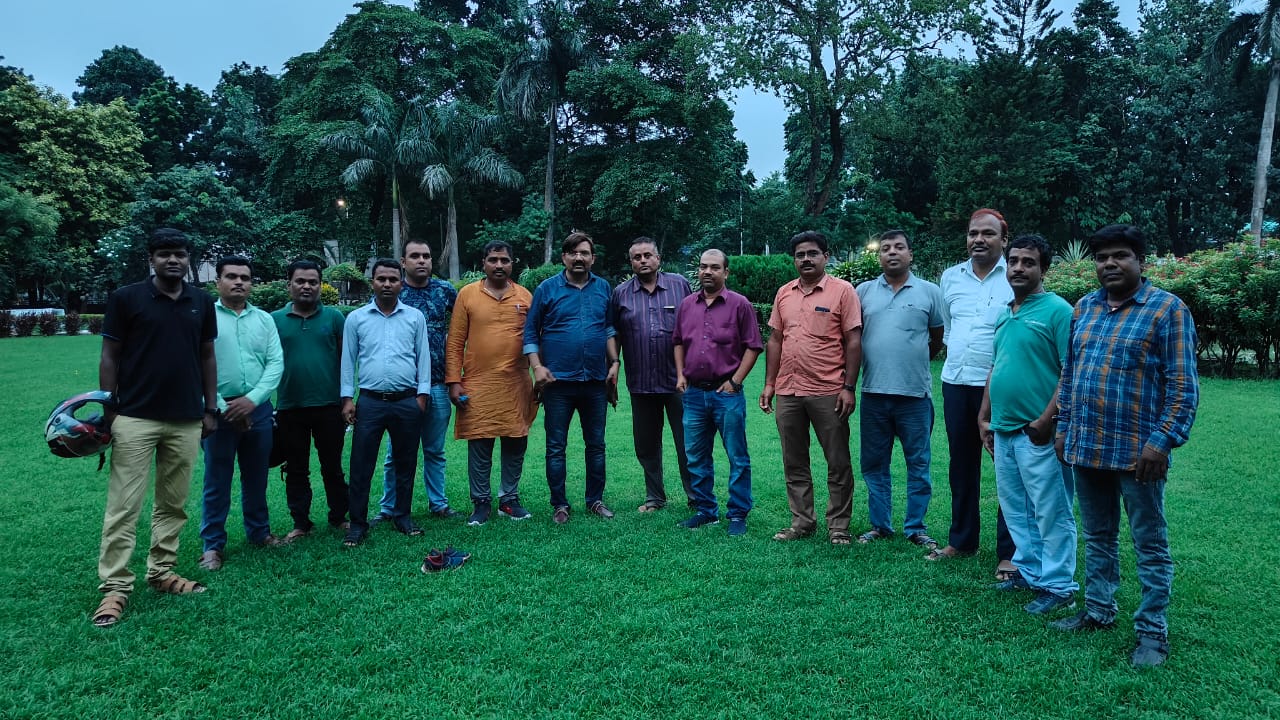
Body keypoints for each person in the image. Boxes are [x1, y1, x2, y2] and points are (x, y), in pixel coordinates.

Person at [1050, 224, 1199, 668]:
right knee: (1098, 535)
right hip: (1088, 444)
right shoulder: (1085, 307)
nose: (1109, 264)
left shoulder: (1167, 310)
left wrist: (1161, 442)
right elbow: (1071, 374)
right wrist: (1063, 426)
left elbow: (1183, 386)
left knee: (1149, 543)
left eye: (1120, 255)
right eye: (1102, 258)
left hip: (1139, 454)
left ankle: (1152, 632)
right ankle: (1098, 610)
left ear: (1140, 261)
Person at [92, 228, 218, 627]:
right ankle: (115, 587)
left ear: (188, 259)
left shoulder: (201, 301)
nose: (173, 260)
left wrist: (209, 409)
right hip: (134, 417)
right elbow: (109, 356)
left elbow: (207, 356)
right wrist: (109, 408)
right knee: (124, 505)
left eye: (179, 253)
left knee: (173, 503)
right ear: (152, 259)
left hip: (186, 418)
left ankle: (162, 571)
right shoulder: (126, 298)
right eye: (165, 254)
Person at [977, 235, 1078, 616]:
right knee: (1016, 508)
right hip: (1003, 429)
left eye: (1028, 262)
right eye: (1014, 261)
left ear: (1044, 269)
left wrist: (1046, 420)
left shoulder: (1058, 311)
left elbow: (1070, 371)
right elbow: (996, 366)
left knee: (1051, 510)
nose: (1019, 268)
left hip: (1038, 432)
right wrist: (984, 416)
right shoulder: (1006, 313)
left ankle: (1059, 585)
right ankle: (1031, 571)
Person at [759, 231, 862, 545]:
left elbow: (853, 340)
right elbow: (775, 340)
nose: (806, 259)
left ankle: (839, 526)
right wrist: (769, 384)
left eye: (813, 253)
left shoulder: (842, 291)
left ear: (825, 257)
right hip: (788, 390)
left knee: (837, 460)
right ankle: (802, 522)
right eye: (800, 254)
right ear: (794, 259)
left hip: (828, 389)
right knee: (794, 461)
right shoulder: (784, 293)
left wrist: (848, 387)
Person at [930, 209, 1019, 576]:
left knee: (1007, 467)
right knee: (962, 465)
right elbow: (950, 329)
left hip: (1000, 386)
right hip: (956, 382)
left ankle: (1010, 551)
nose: (978, 239)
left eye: (987, 233)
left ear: (1004, 239)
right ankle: (962, 540)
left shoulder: (1014, 276)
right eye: (972, 233)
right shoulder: (951, 277)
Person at [855, 230, 945, 549]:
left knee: (918, 464)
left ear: (910, 254)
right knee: (874, 464)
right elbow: (853, 337)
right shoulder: (863, 291)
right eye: (886, 248)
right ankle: (880, 525)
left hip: (915, 396)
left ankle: (916, 527)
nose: (892, 252)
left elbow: (937, 337)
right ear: (879, 256)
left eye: (899, 247)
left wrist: (912, 359)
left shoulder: (929, 292)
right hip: (873, 394)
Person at [523, 231, 619, 524]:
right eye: (573, 253)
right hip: (557, 383)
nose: (579, 258)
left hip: (595, 382)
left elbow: (608, 329)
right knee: (556, 447)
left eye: (584, 253)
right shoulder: (547, 289)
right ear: (564, 257)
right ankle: (560, 504)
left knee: (596, 445)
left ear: (593, 258)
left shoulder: (603, 288)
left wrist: (615, 362)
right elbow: (530, 332)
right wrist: (537, 367)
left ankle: (595, 501)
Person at [198, 256, 284, 570]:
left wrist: (252, 400)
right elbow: (194, 365)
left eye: (245, 278)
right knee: (216, 478)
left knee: (257, 476)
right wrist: (224, 407)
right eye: (231, 276)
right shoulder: (204, 317)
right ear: (217, 281)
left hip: (258, 409)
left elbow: (275, 363)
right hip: (216, 412)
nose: (238, 282)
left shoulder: (264, 319)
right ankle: (212, 545)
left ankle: (259, 533)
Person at [340, 259, 432, 546]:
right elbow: (348, 360)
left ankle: (402, 516)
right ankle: (357, 524)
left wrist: (422, 395)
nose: (387, 284)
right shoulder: (356, 318)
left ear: (401, 283)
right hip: (370, 402)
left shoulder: (414, 317)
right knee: (361, 464)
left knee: (405, 462)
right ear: (373, 283)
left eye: (393, 279)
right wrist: (347, 398)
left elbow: (423, 357)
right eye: (382, 279)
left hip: (406, 401)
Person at [445, 241, 537, 525]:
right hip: (478, 383)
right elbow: (455, 341)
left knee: (515, 440)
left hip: (515, 383)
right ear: (483, 263)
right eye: (493, 260)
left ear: (512, 264)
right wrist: (453, 380)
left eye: (504, 260)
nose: (499, 265)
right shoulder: (467, 295)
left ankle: (509, 499)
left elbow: (535, 339)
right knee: (480, 442)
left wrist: (541, 375)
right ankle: (481, 502)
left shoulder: (525, 296)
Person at [673, 249, 763, 537]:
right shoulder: (687, 305)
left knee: (737, 456)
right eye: (703, 267)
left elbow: (753, 346)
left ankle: (737, 514)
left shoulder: (740, 305)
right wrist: (680, 374)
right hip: (694, 395)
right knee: (696, 456)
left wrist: (735, 381)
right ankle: (705, 511)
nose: (707, 272)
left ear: (726, 272)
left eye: (714, 267)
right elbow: (678, 342)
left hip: (727, 395)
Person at [376, 239, 459, 521]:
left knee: (435, 450)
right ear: (403, 262)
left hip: (438, 383)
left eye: (426, 255)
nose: (421, 260)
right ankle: (389, 507)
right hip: (403, 388)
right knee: (395, 452)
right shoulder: (394, 291)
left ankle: (439, 504)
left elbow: (462, 327)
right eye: (414, 256)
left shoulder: (445, 291)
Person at [610, 237, 694, 513]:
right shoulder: (621, 293)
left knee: (688, 442)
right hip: (641, 382)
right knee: (646, 445)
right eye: (637, 257)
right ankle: (655, 497)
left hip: (679, 381)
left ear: (658, 258)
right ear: (631, 262)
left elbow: (694, 325)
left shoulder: (680, 285)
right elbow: (614, 333)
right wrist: (614, 364)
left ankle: (696, 497)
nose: (643, 260)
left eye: (648, 255)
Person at [271, 259, 349, 542]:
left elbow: (346, 361)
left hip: (329, 406)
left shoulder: (334, 318)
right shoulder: (274, 320)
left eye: (313, 282)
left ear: (320, 285)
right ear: (289, 284)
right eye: (300, 281)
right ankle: (301, 523)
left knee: (332, 467)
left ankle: (339, 517)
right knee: (296, 468)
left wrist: (347, 399)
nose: (307, 286)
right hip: (290, 406)